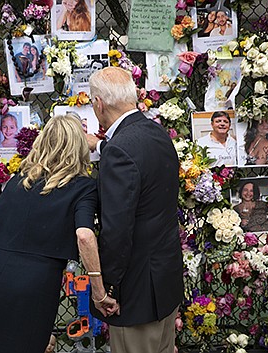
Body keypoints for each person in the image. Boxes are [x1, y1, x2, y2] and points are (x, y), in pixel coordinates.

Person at [0, 114, 118, 353]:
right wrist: (99, 293)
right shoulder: (83, 186)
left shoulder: (20, 181)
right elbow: (84, 235)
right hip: (35, 283)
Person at [85, 67, 183, 353]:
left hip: (136, 290)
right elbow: (137, 161)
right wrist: (103, 145)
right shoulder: (155, 132)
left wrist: (107, 289)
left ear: (99, 104)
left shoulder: (119, 150)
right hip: (163, 279)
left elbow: (116, 232)